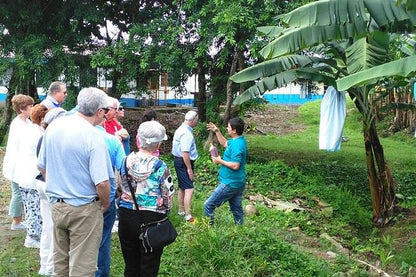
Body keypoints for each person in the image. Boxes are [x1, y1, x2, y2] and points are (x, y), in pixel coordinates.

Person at [37, 87, 112, 276]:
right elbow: (102, 182)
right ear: (99, 112)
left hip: (58, 206)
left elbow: (42, 166)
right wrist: (104, 204)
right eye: (106, 111)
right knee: (82, 267)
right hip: (84, 208)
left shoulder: (55, 126)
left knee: (60, 263)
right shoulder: (94, 135)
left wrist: (58, 186)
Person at [118, 120, 174, 277]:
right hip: (152, 220)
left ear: (138, 139)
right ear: (158, 145)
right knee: (150, 266)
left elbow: (119, 186)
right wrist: (166, 211)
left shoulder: (124, 161)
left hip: (126, 216)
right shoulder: (161, 167)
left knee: (130, 265)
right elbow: (168, 197)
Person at [35, 107, 68, 276]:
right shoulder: (54, 138)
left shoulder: (43, 137)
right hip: (51, 186)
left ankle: (45, 266)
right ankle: (52, 267)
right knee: (55, 228)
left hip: (42, 184)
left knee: (48, 227)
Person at [95, 106, 126, 277]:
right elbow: (123, 168)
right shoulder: (112, 141)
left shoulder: (69, 137)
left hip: (77, 199)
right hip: (105, 198)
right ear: (101, 114)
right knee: (103, 240)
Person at [205, 117, 247, 225]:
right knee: (237, 210)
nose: (227, 128)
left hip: (230, 183)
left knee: (208, 205)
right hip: (238, 182)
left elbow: (235, 165)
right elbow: (225, 143)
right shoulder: (237, 140)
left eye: (228, 127)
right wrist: (217, 131)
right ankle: (239, 229)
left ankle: (209, 231)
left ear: (234, 130)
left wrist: (220, 161)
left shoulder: (238, 145)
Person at [3, 94, 35, 232]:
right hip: (16, 164)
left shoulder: (27, 122)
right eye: (30, 107)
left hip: (23, 163)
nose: (32, 109)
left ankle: (21, 219)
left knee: (22, 192)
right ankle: (16, 221)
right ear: (22, 109)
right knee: (18, 193)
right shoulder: (18, 125)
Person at [171, 110, 199, 222]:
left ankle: (181, 210)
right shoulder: (186, 133)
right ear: (193, 121)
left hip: (179, 161)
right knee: (189, 188)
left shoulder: (181, 128)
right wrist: (189, 169)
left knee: (182, 187)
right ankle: (188, 215)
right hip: (183, 162)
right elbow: (185, 152)